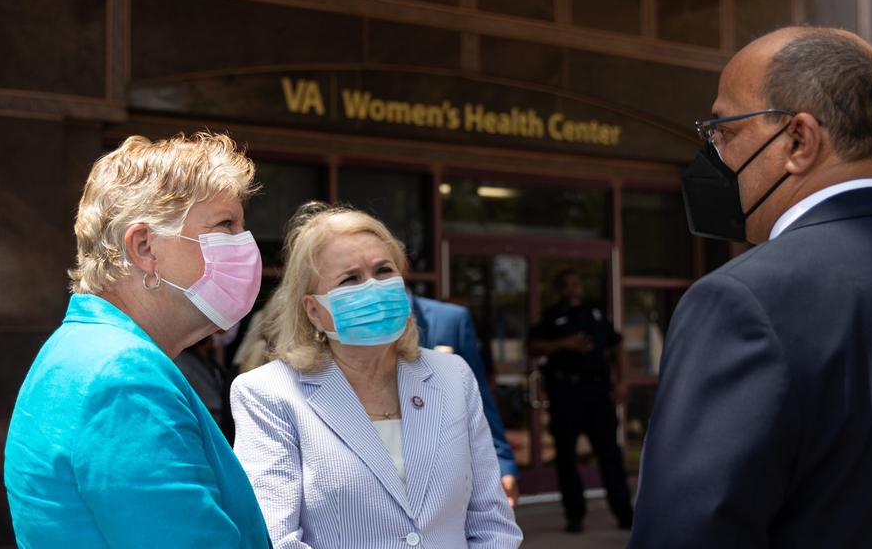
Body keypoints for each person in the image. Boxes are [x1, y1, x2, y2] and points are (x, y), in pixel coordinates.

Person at [630, 27, 872, 548]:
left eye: (723, 131)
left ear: (798, 140)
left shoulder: (743, 300)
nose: (715, 154)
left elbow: (688, 533)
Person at [4, 133, 271, 547]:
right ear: (144, 247)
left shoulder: (83, 349)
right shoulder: (123, 378)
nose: (245, 245)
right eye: (225, 225)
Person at [230, 203, 523, 548]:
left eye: (384, 271)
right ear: (313, 310)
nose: (373, 288)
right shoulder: (269, 393)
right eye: (350, 279)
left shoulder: (452, 376)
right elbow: (275, 538)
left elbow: (493, 523)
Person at [528, 269, 632, 533]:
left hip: (597, 393)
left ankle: (624, 512)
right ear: (561, 289)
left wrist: (622, 381)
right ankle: (574, 515)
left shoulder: (594, 314)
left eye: (577, 284)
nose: (575, 290)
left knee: (609, 454)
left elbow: (617, 345)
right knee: (566, 456)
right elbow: (533, 346)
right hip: (566, 393)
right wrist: (565, 344)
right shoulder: (552, 316)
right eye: (569, 285)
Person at [410, 292, 520, 506]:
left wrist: (503, 462)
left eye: (384, 269)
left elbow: (479, 396)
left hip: (446, 471)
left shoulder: (451, 319)